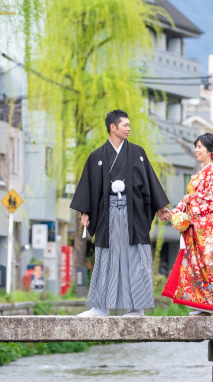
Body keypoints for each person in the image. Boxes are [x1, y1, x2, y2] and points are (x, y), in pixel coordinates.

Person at [71, 109, 172, 317]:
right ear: (113, 127)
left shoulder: (137, 153)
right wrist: (85, 211)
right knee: (105, 257)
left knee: (134, 257)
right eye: (125, 125)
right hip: (107, 215)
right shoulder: (97, 156)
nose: (128, 128)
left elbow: (149, 181)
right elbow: (89, 186)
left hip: (132, 214)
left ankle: (137, 308)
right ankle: (100, 307)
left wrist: (160, 205)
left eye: (129, 125)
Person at [162, 133, 213, 316]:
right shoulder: (202, 173)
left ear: (211, 149)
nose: (196, 150)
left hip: (212, 232)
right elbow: (189, 201)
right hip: (199, 229)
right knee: (198, 266)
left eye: (200, 146)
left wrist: (191, 198)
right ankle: (204, 305)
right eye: (196, 146)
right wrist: (173, 213)